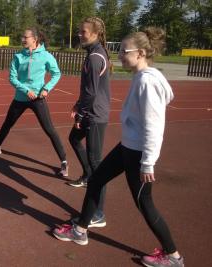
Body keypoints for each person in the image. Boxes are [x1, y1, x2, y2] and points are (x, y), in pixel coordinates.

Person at [53, 27, 184, 267]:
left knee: (145, 204)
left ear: (141, 53)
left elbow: (154, 126)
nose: (119, 55)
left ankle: (173, 256)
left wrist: (148, 162)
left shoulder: (148, 81)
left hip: (138, 154)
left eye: (125, 51)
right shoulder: (142, 77)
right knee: (96, 180)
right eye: (119, 50)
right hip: (127, 147)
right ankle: (80, 230)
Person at [0, 27, 69, 178]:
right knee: (7, 123)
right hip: (21, 97)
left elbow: (56, 74)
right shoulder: (18, 56)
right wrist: (25, 90)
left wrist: (46, 89)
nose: (22, 40)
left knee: (49, 129)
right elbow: (12, 78)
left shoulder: (46, 56)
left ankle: (63, 161)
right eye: (22, 37)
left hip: (38, 98)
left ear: (34, 39)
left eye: (25, 37)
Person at [66, 17, 112, 228]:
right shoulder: (93, 53)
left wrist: (81, 115)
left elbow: (92, 92)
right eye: (79, 31)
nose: (79, 34)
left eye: (83, 31)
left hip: (95, 116)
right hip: (89, 111)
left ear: (94, 33)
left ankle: (98, 214)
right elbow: (88, 90)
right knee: (74, 139)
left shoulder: (95, 57)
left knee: (98, 167)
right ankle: (86, 175)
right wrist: (78, 104)